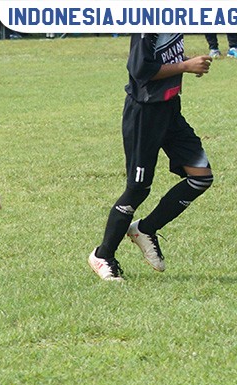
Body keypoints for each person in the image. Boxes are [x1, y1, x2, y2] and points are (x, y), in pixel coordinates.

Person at [89, 34, 214, 281]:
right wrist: (185, 66)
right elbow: (139, 69)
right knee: (138, 189)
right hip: (144, 115)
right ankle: (103, 255)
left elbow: (160, 59)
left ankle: (145, 229)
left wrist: (187, 62)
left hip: (170, 111)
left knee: (201, 177)